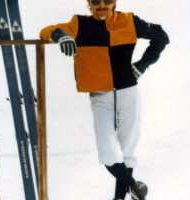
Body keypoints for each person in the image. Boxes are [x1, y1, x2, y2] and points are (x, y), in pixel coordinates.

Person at [40, 0, 169, 199]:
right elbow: (46, 31)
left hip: (128, 92)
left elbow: (161, 36)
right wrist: (62, 36)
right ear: (89, 3)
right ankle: (135, 187)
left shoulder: (128, 21)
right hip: (100, 96)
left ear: (114, 2)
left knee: (128, 150)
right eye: (96, 1)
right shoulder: (79, 24)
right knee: (108, 153)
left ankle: (119, 197)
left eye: (107, 1)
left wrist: (142, 65)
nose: (102, 5)